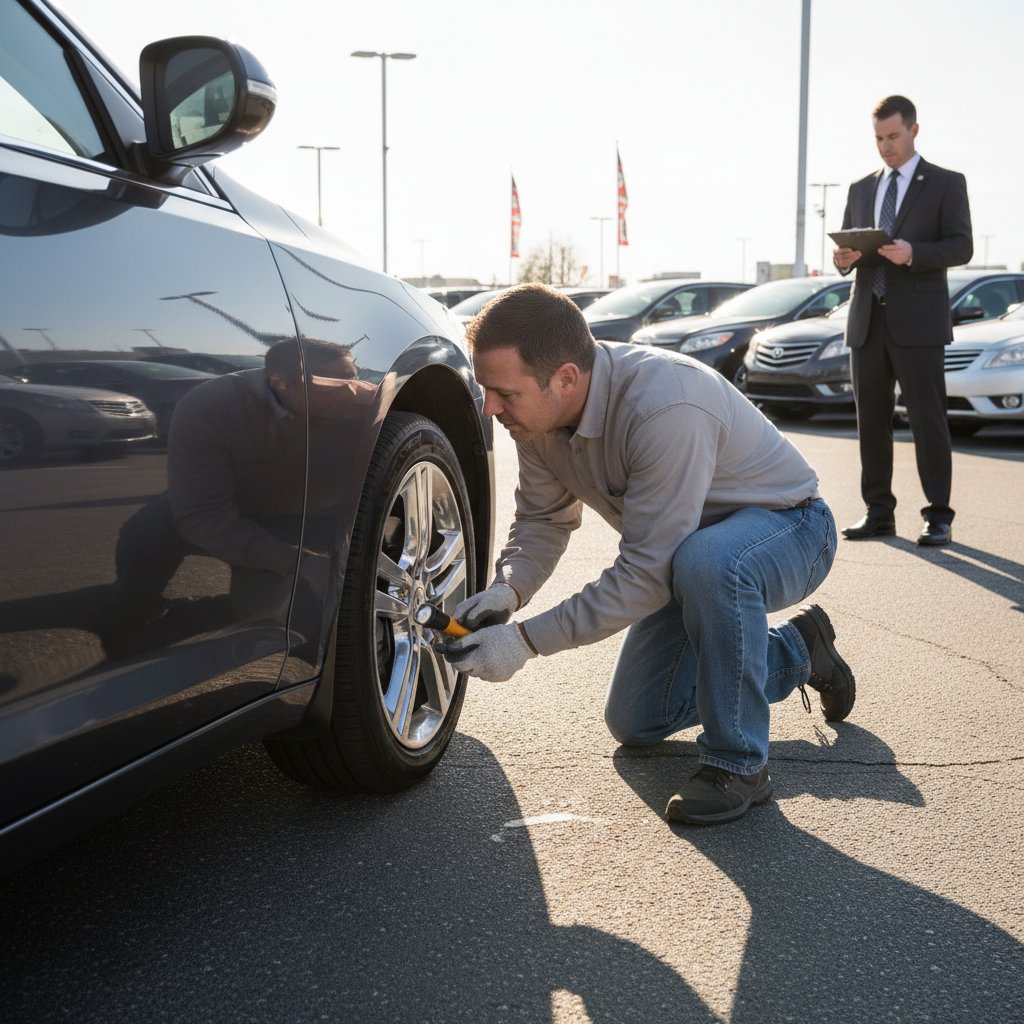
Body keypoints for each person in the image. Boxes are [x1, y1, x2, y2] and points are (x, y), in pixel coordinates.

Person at [437, 283, 855, 825]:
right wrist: (507, 590)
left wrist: (522, 641)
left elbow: (645, 572)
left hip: (791, 529)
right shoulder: (536, 417)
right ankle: (799, 650)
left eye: (505, 394)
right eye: (487, 389)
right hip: (685, 558)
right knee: (636, 720)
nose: (490, 407)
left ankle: (739, 764)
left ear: (566, 377)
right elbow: (544, 520)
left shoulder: (665, 404)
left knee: (709, 561)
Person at [833, 95, 973, 547]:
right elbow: (845, 253)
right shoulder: (860, 188)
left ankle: (938, 515)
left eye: (893, 136)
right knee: (871, 422)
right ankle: (879, 511)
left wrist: (915, 253)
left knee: (928, 421)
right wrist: (843, 259)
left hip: (919, 323)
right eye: (878, 138)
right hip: (867, 321)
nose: (885, 146)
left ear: (914, 130)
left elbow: (961, 246)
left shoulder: (946, 184)